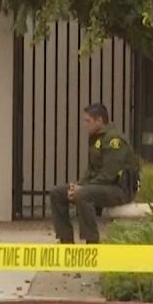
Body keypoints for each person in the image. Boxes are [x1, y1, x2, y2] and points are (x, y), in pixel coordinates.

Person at [50, 103, 140, 244]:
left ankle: (92, 243)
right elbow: (92, 170)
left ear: (99, 121)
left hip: (120, 189)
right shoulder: (97, 138)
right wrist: (78, 185)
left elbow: (109, 175)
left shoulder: (114, 140)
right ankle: (65, 241)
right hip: (101, 186)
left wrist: (83, 189)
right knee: (57, 192)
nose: (85, 125)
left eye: (88, 121)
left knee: (83, 194)